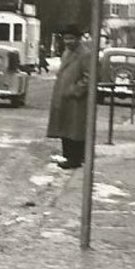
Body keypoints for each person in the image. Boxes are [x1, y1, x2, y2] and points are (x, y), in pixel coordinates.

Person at [46, 24, 92, 169]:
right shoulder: (67, 52)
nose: (68, 41)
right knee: (65, 128)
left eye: (71, 38)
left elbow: (89, 77)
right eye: (66, 38)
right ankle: (68, 156)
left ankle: (75, 158)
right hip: (64, 97)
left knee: (75, 130)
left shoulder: (85, 54)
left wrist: (75, 90)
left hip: (76, 100)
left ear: (78, 39)